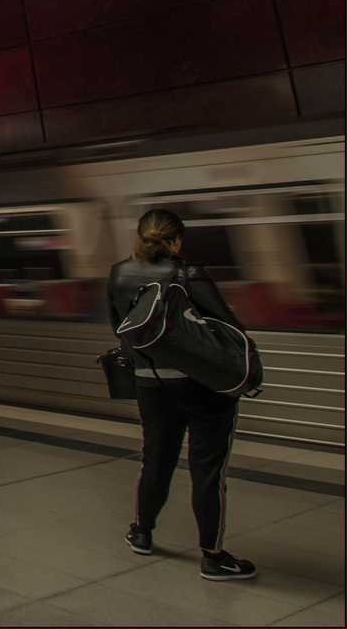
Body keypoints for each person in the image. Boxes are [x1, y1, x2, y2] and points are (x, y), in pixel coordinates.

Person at [107, 209, 256, 581]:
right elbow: (227, 325)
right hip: (202, 386)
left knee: (155, 460)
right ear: (176, 241)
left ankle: (141, 532)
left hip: (150, 384)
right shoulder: (188, 273)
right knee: (208, 472)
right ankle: (213, 556)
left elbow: (121, 329)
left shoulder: (119, 273)